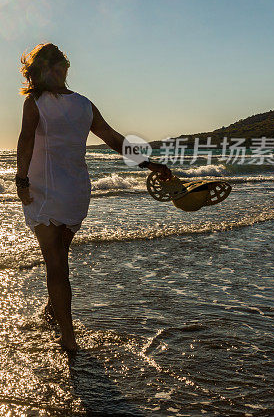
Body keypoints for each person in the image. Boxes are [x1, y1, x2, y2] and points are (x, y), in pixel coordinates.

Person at [15, 43, 172, 352]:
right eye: (53, 67)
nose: (56, 72)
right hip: (75, 190)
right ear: (52, 69)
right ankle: (52, 311)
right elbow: (113, 139)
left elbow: (25, 142)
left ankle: (68, 338)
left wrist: (21, 180)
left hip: (45, 192)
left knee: (56, 265)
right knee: (59, 259)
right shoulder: (83, 104)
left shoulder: (37, 103)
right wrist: (149, 163)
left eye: (57, 67)